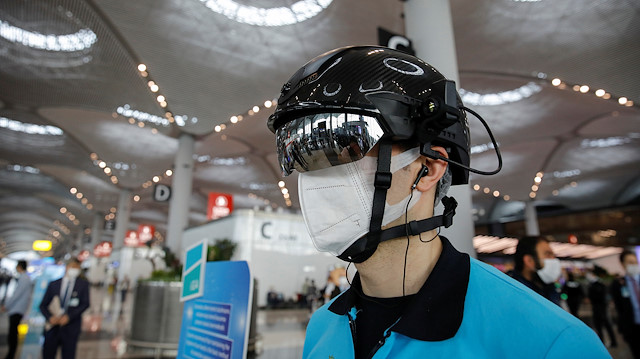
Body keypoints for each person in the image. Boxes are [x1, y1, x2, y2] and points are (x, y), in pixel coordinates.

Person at [267, 45, 609, 358]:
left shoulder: (550, 343)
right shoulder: (322, 327)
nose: (311, 177)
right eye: (298, 157)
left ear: (428, 168)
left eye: (344, 146)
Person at [39, 257, 90, 359]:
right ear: (67, 267)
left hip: (71, 328)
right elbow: (43, 305)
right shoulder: (54, 284)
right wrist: (50, 317)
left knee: (68, 355)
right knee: (48, 354)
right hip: (52, 328)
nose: (75, 270)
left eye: (77, 268)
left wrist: (69, 317)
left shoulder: (83, 285)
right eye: (73, 267)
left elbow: (85, 304)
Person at [508, 236, 562, 305]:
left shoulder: (549, 288)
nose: (554, 260)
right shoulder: (513, 292)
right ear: (529, 261)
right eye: (548, 254)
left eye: (553, 255)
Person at [611, 250, 640, 358]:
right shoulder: (618, 284)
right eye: (630, 262)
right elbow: (619, 308)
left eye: (635, 262)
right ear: (623, 264)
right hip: (632, 327)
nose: (633, 265)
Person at [1, 260, 33, 359]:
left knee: (13, 333)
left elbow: (16, 295)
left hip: (17, 309)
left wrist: (7, 305)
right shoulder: (24, 278)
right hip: (17, 308)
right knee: (13, 332)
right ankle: (11, 353)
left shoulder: (24, 278)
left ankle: (11, 354)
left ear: (19, 267)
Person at [587, 266, 618, 348]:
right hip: (597, 307)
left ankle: (612, 342)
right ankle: (603, 343)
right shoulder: (593, 284)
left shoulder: (598, 285)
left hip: (601, 307)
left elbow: (600, 296)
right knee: (599, 326)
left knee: (605, 325)